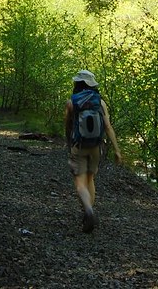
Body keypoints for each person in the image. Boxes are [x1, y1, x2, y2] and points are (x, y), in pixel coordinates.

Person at [64, 69, 122, 233]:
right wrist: (117, 150)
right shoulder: (100, 103)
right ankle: (88, 211)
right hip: (96, 147)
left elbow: (68, 126)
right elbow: (108, 127)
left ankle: (88, 211)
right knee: (90, 179)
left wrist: (69, 143)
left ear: (77, 84)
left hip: (79, 147)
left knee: (80, 182)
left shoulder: (72, 102)